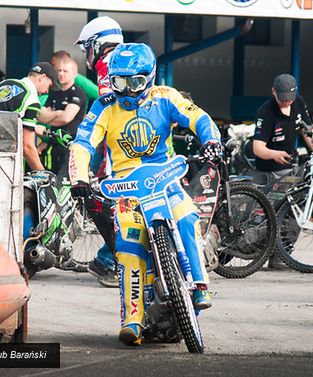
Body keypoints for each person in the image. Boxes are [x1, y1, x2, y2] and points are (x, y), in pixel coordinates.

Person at [68, 43, 222, 346]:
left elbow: (199, 118)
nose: (127, 91)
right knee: (128, 243)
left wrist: (211, 141)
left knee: (188, 217)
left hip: (165, 178)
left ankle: (200, 285)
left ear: (150, 78)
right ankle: (132, 321)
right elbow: (82, 143)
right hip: (125, 186)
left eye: (135, 83)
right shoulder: (103, 105)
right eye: (119, 83)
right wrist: (79, 177)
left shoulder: (166, 97)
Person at [73, 16, 125, 287]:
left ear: (98, 44)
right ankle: (108, 260)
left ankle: (112, 261)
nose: (86, 55)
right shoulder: (126, 60)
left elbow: (108, 111)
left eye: (86, 48)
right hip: (134, 145)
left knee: (115, 204)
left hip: (118, 151)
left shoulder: (109, 64)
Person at [252, 73, 313, 269]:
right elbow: (258, 148)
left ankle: (282, 254)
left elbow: (307, 131)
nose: (287, 102)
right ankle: (259, 252)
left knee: (293, 212)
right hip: (268, 169)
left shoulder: (297, 103)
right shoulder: (266, 112)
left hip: (290, 169)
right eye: (283, 98)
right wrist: (274, 155)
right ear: (273, 92)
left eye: (290, 98)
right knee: (265, 214)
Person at [0, 62, 60, 172]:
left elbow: (1, 119)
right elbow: (27, 146)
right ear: (42, 78)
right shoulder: (32, 99)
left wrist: (33, 128)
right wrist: (43, 175)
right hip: (3, 160)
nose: (46, 91)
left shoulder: (5, 83)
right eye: (49, 86)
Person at [38, 57, 87, 177]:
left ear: (75, 74)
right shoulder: (54, 93)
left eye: (65, 71)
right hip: (53, 144)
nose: (61, 74)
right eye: (59, 70)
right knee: (51, 180)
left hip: (70, 145)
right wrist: (58, 113)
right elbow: (41, 116)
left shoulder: (78, 93)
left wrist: (52, 116)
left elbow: (66, 118)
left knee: (64, 181)